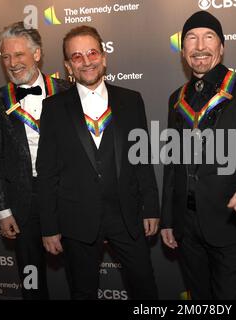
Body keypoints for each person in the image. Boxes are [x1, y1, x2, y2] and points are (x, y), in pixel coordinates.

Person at [160, 11, 236, 299]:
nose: (199, 46)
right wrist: (168, 218)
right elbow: (173, 162)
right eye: (191, 38)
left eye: (208, 37)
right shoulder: (176, 97)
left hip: (230, 219)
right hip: (186, 225)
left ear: (222, 47)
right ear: (182, 49)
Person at [36, 26, 159, 300]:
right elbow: (46, 173)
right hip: (76, 219)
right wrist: (49, 227)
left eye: (92, 52)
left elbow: (142, 158)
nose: (86, 61)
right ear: (68, 65)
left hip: (127, 216)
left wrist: (151, 205)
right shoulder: (54, 108)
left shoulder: (131, 100)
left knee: (145, 288)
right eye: (76, 56)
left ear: (104, 57)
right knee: (83, 292)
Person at [0, 21, 70, 299]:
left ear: (36, 54)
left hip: (67, 197)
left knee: (81, 274)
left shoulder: (67, 91)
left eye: (18, 55)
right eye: (6, 57)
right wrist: (3, 211)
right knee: (31, 281)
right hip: (23, 203)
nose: (12, 63)